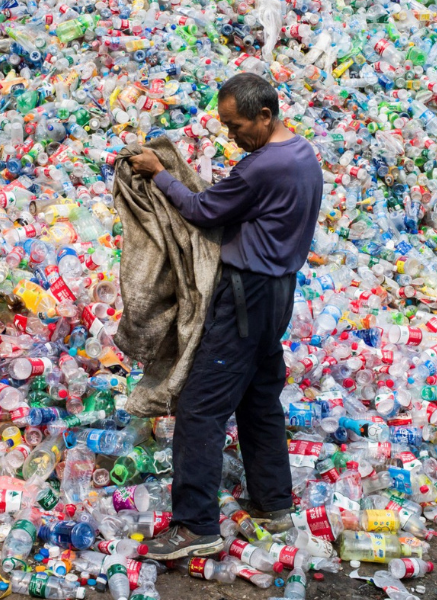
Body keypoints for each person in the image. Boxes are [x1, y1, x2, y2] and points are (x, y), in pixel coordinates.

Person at [127, 72, 324, 560]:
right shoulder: (301, 154)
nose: (231, 136)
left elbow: (199, 209)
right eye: (226, 126)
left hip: (245, 296)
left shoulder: (262, 168)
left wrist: (159, 172)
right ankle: (274, 505)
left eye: (237, 126)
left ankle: (195, 526)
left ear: (265, 115)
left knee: (200, 407)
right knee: (259, 400)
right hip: (278, 292)